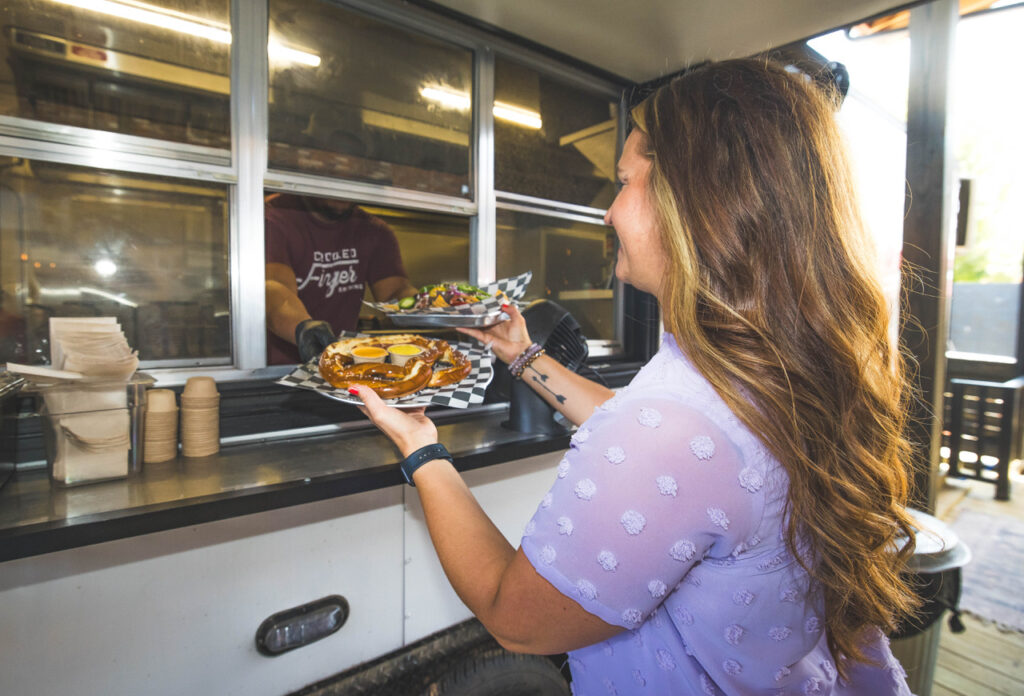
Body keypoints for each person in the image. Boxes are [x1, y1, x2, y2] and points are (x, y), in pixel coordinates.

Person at [350, 58, 920, 694]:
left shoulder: (674, 424)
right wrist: (523, 355)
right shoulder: (778, 360)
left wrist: (420, 447)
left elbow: (517, 620)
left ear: (691, 201)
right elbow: (675, 451)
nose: (608, 212)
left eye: (623, 182)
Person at [264, 193, 417, 364]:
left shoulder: (372, 230)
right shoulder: (274, 215)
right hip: (275, 369)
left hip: (341, 362)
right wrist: (303, 329)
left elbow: (394, 292)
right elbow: (273, 285)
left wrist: (427, 302)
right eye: (333, 167)